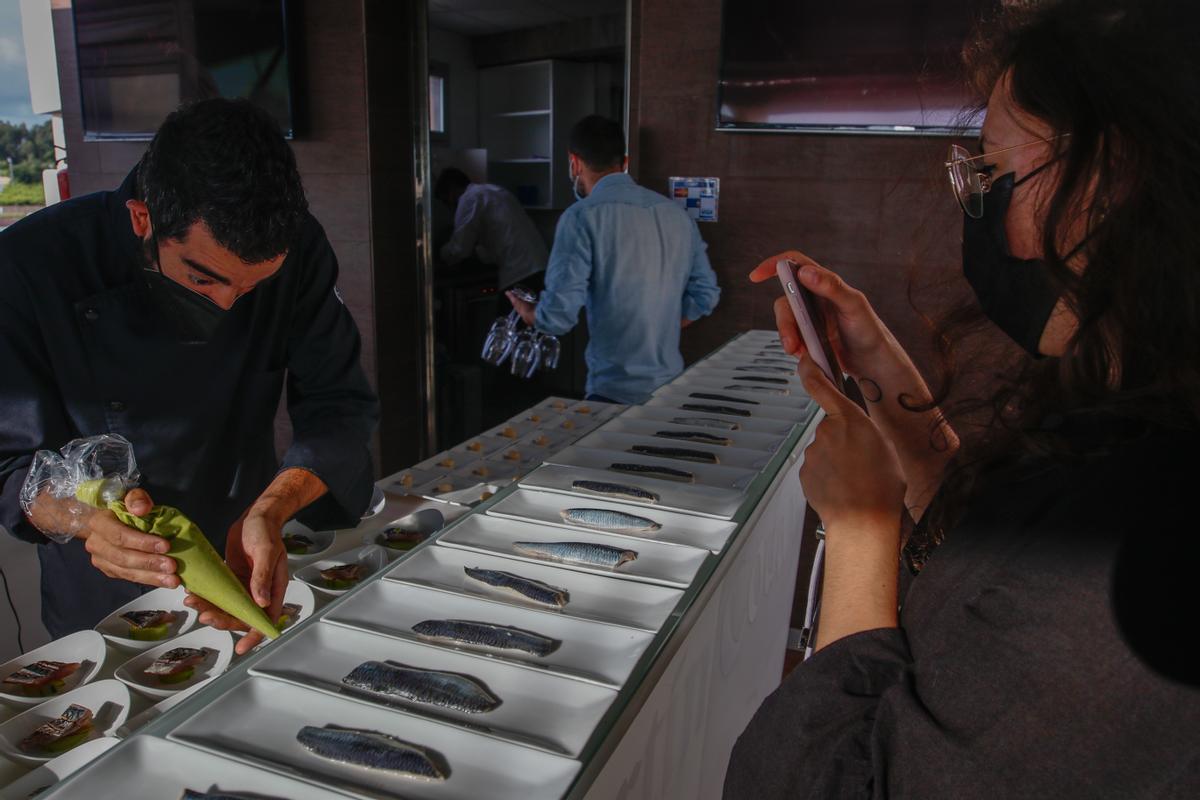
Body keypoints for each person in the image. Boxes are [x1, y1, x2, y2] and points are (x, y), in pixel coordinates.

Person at [723, 0, 1200, 796]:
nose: (976, 207)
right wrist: (878, 366)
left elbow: (832, 780)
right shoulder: (1134, 413)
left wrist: (861, 530)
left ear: (1113, 181)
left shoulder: (1154, 548)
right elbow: (999, 554)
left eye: (992, 171)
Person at [0, 99, 379, 654]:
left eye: (250, 289)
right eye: (204, 280)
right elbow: (10, 471)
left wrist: (270, 510)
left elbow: (339, 406)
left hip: (243, 550)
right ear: (141, 219)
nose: (228, 305)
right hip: (105, 592)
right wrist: (83, 519)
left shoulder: (298, 249)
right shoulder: (28, 267)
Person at [505, 115, 721, 404]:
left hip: (613, 392)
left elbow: (557, 317)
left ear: (574, 162)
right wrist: (662, 322)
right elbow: (706, 294)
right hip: (670, 389)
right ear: (625, 162)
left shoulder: (581, 217)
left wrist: (530, 313)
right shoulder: (676, 215)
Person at [434, 167, 548, 292]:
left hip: (519, 271)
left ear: (451, 191)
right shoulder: (494, 191)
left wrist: (437, 253)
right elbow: (494, 244)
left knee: (509, 310)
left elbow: (460, 249)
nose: (449, 207)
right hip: (539, 265)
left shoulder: (468, 199)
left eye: (446, 200)